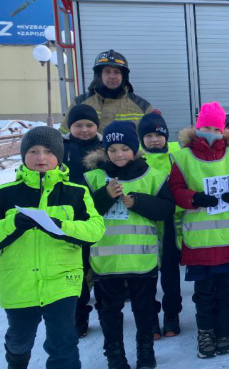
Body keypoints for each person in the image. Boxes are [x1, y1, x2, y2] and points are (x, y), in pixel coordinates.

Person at [1, 126, 105, 369]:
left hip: (62, 282)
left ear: (58, 155)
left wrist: (61, 227)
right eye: (34, 151)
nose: (41, 158)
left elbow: (96, 230)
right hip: (18, 283)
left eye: (48, 151)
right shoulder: (5, 194)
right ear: (24, 155)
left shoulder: (76, 192)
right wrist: (12, 223)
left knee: (63, 343)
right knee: (19, 341)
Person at [83, 121, 175, 369]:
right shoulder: (93, 178)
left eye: (125, 148)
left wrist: (139, 203)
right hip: (106, 262)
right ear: (105, 152)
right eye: (112, 149)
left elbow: (167, 209)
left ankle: (146, 352)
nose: (119, 154)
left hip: (142, 260)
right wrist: (104, 196)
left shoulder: (153, 176)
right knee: (110, 313)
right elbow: (82, 214)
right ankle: (115, 355)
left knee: (144, 311)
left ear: (134, 148)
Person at [168, 102, 229, 359]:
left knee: (226, 293)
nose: (209, 132)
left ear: (223, 129)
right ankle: (205, 334)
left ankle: (224, 334)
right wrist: (193, 198)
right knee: (203, 294)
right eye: (204, 127)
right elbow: (176, 189)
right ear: (196, 127)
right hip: (200, 242)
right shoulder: (182, 156)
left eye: (215, 128)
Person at [138, 112, 184, 340]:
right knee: (147, 277)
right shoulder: (134, 158)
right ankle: (151, 316)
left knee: (171, 275)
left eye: (158, 134)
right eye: (148, 135)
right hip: (144, 225)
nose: (154, 139)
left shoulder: (177, 155)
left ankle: (172, 314)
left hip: (171, 225)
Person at [62, 104, 104, 338]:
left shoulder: (105, 146)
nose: (85, 130)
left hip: (99, 215)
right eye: (79, 125)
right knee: (79, 269)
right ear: (70, 126)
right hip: (72, 217)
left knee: (101, 267)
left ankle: (106, 309)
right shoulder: (62, 147)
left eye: (89, 125)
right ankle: (80, 316)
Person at [60, 50, 153, 134]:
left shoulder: (143, 107)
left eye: (117, 72)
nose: (112, 76)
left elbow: (153, 141)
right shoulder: (79, 103)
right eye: (107, 72)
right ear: (99, 75)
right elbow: (64, 137)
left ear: (124, 76)